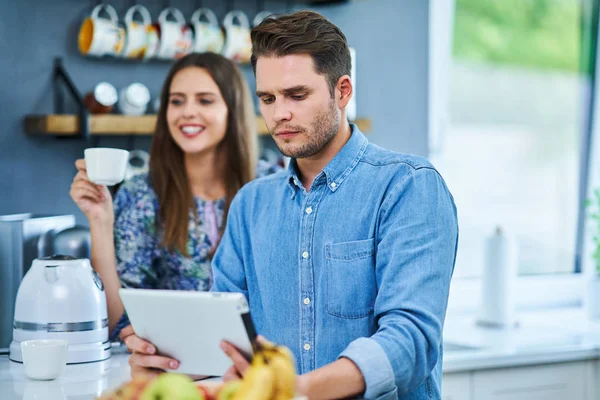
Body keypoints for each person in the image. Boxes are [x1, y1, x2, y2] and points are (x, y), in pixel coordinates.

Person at [126, 11, 458, 399]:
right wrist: (169, 365)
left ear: (343, 91)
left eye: (297, 95)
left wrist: (294, 390)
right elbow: (225, 346)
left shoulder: (408, 186)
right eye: (267, 98)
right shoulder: (250, 204)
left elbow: (411, 341)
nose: (279, 113)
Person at [70, 52, 278, 342]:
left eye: (205, 100)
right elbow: (119, 325)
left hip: (263, 363)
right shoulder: (141, 194)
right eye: (176, 101)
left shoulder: (272, 188)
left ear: (233, 109)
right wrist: (100, 221)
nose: (187, 112)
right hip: (174, 367)